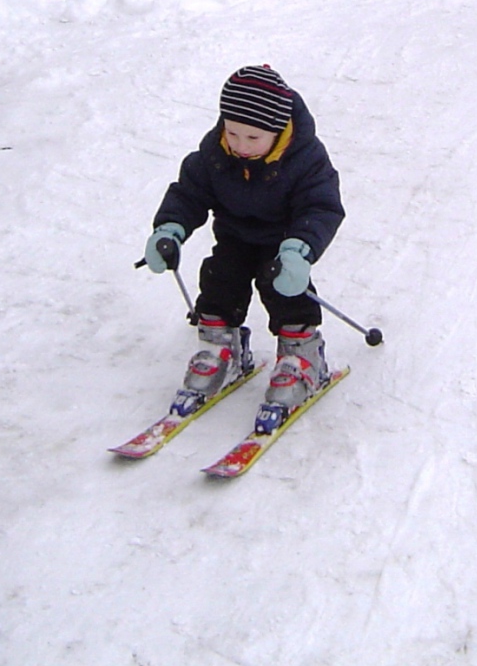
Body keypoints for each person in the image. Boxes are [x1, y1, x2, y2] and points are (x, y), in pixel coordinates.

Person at [142, 65, 345, 432]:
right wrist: (170, 229)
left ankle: (303, 355)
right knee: (219, 279)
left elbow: (321, 206)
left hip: (284, 246)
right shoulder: (215, 152)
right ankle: (221, 346)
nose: (240, 144)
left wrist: (300, 249)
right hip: (234, 237)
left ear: (278, 130)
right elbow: (188, 193)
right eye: (232, 131)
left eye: (253, 137)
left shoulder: (305, 158)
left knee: (284, 291)